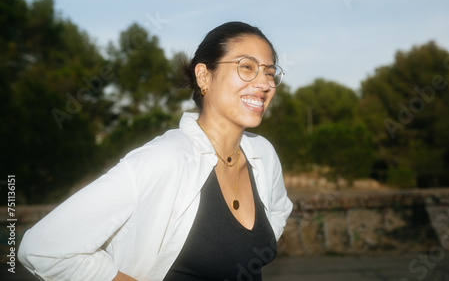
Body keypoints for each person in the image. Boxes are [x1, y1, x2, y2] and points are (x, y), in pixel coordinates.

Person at [18, 21, 293, 281]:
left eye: (270, 72)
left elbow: (279, 211)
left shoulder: (263, 155)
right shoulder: (166, 158)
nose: (265, 83)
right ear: (204, 76)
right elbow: (43, 248)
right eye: (247, 67)